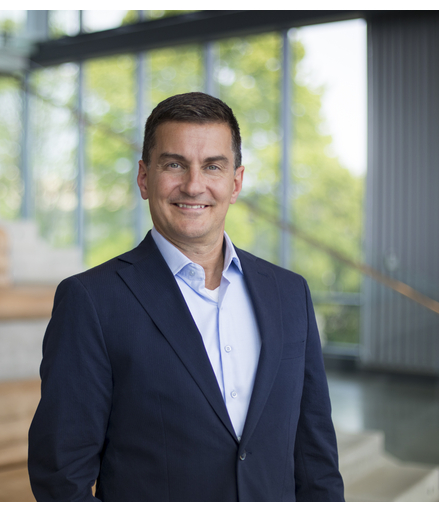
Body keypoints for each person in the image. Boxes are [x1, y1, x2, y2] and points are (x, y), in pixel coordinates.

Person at [28, 92, 344, 502]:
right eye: (174, 164)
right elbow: (61, 475)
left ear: (236, 182)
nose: (194, 185)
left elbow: (316, 458)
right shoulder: (91, 301)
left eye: (212, 166)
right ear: (145, 178)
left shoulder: (289, 293)